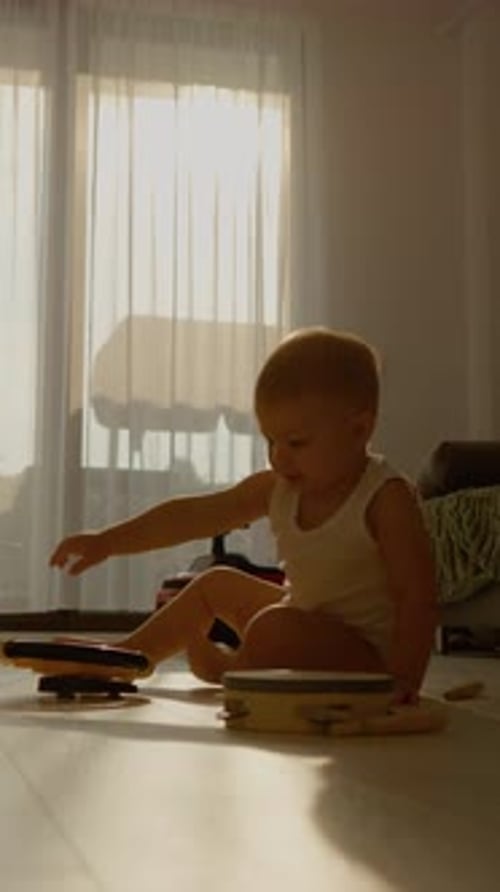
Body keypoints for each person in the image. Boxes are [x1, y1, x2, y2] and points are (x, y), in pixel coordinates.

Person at [50, 327, 438, 703]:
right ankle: (129, 655)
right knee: (216, 583)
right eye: (270, 440)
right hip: (303, 619)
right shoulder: (278, 488)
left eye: (296, 443)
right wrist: (108, 541)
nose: (278, 457)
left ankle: (231, 668)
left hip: (368, 655)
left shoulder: (385, 497)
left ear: (358, 430)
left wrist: (404, 678)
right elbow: (194, 515)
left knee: (274, 628)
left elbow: (417, 594)